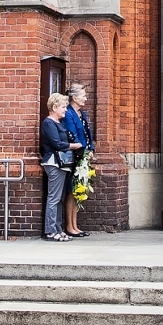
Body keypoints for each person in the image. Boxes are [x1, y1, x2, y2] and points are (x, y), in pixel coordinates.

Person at [40, 93, 77, 241]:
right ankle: (50, 231)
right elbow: (57, 144)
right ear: (54, 107)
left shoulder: (58, 123)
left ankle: (58, 229)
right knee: (54, 198)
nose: (65, 110)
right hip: (54, 163)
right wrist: (73, 146)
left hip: (61, 164)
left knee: (59, 198)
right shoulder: (49, 123)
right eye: (63, 107)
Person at [63, 83, 93, 238]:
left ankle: (76, 225)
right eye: (83, 96)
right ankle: (69, 226)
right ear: (74, 98)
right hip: (74, 156)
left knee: (78, 191)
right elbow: (72, 134)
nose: (85, 99)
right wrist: (82, 151)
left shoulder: (82, 114)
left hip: (83, 155)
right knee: (71, 190)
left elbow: (87, 134)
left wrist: (91, 149)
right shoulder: (68, 113)